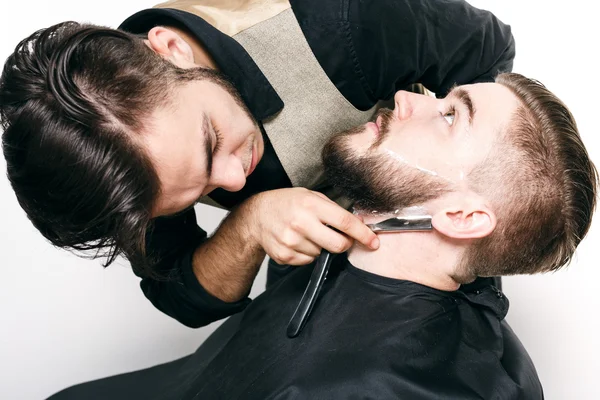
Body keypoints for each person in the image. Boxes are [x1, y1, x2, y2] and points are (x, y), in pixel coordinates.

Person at [47, 73, 598, 399]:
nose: (410, 95)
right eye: (441, 96)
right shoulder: (342, 227)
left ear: (461, 218)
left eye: (451, 116)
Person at [0, 0, 516, 328]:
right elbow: (177, 293)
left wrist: (430, 199)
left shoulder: (347, 23)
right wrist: (249, 226)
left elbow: (489, 52)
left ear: (173, 49)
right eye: (195, 189)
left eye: (212, 141)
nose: (231, 180)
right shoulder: (123, 155)